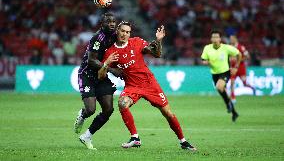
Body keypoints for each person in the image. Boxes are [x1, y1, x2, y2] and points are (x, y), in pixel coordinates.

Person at [98, 21, 197, 151]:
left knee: (167, 113)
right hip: (132, 86)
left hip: (149, 84)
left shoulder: (136, 42)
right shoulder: (111, 52)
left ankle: (183, 141)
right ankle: (135, 138)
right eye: (122, 31)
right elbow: (101, 76)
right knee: (122, 103)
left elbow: (156, 54)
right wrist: (106, 63)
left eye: (128, 32)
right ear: (117, 31)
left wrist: (158, 40)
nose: (125, 34)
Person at [74, 12, 122, 150]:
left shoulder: (115, 35)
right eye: (108, 21)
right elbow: (91, 60)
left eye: (114, 21)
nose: (112, 23)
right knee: (91, 110)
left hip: (101, 75)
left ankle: (87, 136)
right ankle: (82, 115)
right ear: (102, 24)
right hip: (87, 75)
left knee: (108, 109)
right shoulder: (97, 38)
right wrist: (112, 70)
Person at [201, 30, 241, 122]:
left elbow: (239, 54)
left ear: (220, 39)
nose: (215, 39)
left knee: (219, 87)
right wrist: (205, 62)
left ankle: (228, 105)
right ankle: (234, 112)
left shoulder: (226, 48)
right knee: (222, 91)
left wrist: (236, 67)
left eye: (216, 37)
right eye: (213, 37)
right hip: (214, 73)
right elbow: (203, 59)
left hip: (225, 72)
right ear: (211, 39)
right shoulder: (207, 48)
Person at [229, 35, 256, 103]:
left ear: (235, 39)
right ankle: (233, 98)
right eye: (230, 39)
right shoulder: (229, 47)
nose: (231, 40)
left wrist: (238, 60)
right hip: (233, 68)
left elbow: (248, 56)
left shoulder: (241, 47)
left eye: (232, 39)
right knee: (232, 82)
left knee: (244, 83)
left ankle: (253, 88)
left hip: (241, 67)